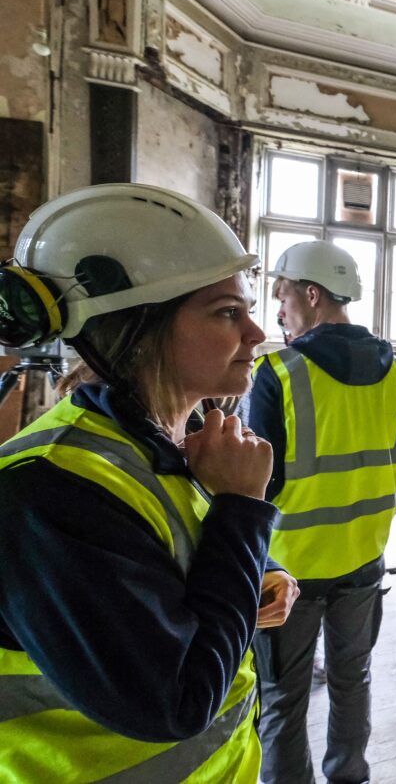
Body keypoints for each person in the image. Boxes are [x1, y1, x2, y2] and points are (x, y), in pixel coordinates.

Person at [0, 183, 299, 782]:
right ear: (140, 328)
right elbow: (177, 700)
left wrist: (250, 580)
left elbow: (160, 580)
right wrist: (240, 510)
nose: (257, 334)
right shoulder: (48, 491)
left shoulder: (162, 448)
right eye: (227, 312)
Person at [248, 240, 396, 784]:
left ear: (313, 295)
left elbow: (256, 486)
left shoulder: (279, 374)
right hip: (365, 562)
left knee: (282, 699)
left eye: (283, 298)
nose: (278, 312)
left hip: (288, 571)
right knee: (353, 682)